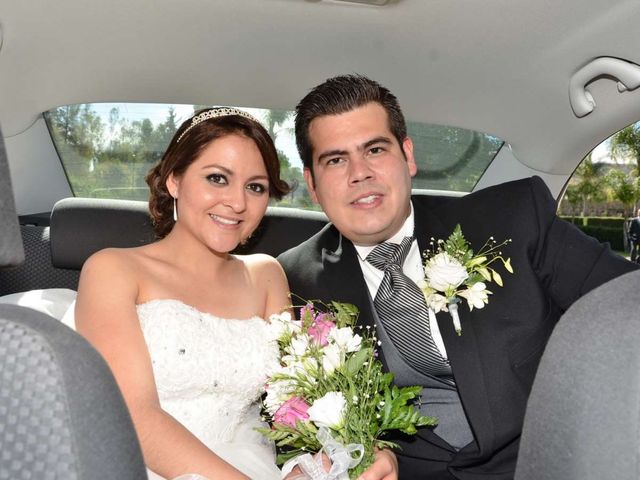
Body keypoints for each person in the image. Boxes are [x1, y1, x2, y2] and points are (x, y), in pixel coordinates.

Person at [277, 74, 639, 480]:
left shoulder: (513, 219)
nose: (359, 173)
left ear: (408, 155)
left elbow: (628, 303)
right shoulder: (291, 281)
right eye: (336, 159)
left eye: (375, 149)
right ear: (311, 183)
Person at [75, 107, 292, 480]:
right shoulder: (113, 270)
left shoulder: (267, 275)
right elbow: (132, 415)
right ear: (174, 180)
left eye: (255, 187)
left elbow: (296, 402)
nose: (238, 203)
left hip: (255, 464)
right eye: (217, 178)